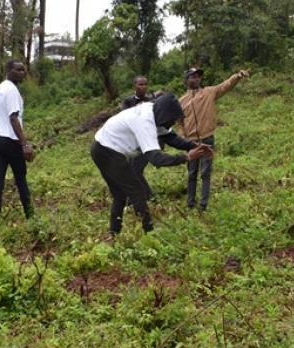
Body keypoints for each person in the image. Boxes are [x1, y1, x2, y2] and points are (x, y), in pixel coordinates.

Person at [91, 92, 212, 236]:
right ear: (165, 115)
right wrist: (186, 157)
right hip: (107, 151)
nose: (172, 124)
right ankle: (149, 232)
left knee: (120, 194)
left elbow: (171, 137)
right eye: (171, 121)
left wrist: (194, 145)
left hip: (104, 148)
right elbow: (156, 159)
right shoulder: (144, 121)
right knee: (137, 191)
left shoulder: (155, 111)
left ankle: (114, 233)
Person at [179, 67, 250, 211]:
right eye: (193, 76)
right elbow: (179, 121)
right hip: (191, 142)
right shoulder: (181, 101)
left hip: (207, 138)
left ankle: (203, 205)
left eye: (198, 76)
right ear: (187, 80)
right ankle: (190, 203)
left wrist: (237, 76)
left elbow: (225, 85)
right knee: (192, 173)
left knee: (205, 172)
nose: (196, 78)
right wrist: (182, 136)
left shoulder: (209, 92)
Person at [0, 60, 34, 220]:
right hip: (10, 140)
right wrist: (25, 144)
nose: (22, 72)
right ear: (8, 70)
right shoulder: (12, 90)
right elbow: (13, 118)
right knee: (21, 179)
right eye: (18, 69)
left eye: (23, 70)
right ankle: (31, 217)